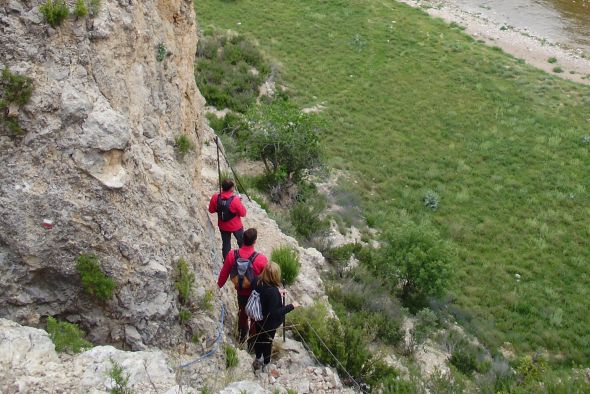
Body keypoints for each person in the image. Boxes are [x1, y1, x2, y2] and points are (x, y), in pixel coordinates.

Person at [217, 228, 268, 346]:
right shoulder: (261, 259)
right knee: (255, 319)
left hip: (241, 293)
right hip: (255, 295)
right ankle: (252, 344)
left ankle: (241, 338)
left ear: (242, 239)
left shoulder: (231, 255)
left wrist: (217, 286)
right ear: (254, 241)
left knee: (243, 315)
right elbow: (267, 279)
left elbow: (224, 273)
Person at [252, 262, 299, 371]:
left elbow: (264, 295)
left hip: (258, 317)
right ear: (275, 276)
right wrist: (292, 306)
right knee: (268, 341)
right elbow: (275, 313)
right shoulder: (272, 292)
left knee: (259, 338)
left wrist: (278, 292)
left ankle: (258, 357)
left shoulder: (258, 281)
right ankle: (266, 364)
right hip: (268, 323)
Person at [208, 179, 247, 260]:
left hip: (223, 226)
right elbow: (243, 213)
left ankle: (226, 261)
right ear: (231, 188)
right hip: (236, 226)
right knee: (242, 242)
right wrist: (240, 203)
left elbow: (211, 210)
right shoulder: (235, 200)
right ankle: (244, 259)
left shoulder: (216, 197)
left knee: (226, 244)